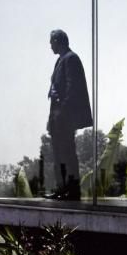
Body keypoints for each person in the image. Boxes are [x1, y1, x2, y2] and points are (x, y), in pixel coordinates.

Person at [46, 29, 92, 200]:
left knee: (67, 153)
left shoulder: (71, 58)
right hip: (57, 116)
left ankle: (72, 190)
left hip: (64, 116)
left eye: (51, 41)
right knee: (58, 153)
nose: (50, 45)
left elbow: (73, 89)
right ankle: (62, 188)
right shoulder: (60, 60)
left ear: (58, 41)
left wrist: (63, 113)